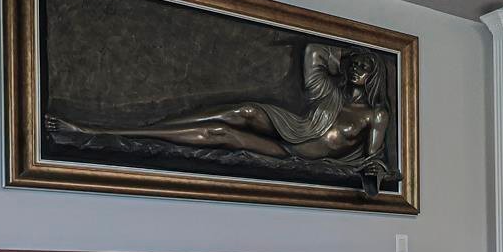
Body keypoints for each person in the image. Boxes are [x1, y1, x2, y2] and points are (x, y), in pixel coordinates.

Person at [51, 45, 390, 166]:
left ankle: (101, 131)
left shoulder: (375, 114)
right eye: (355, 63)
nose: (357, 70)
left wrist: (376, 169)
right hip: (295, 128)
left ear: (374, 76)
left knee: (221, 134)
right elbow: (314, 49)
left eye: (365, 67)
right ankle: (146, 126)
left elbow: (374, 161)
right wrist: (346, 54)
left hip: (295, 153)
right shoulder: (327, 90)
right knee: (243, 111)